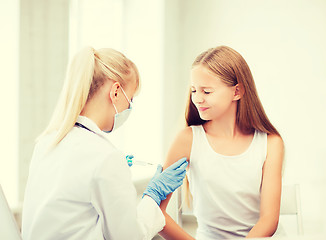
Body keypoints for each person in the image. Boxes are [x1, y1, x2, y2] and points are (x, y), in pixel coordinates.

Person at [21, 46, 188, 240]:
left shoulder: (47, 142)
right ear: (116, 91)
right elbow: (128, 237)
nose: (130, 106)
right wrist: (153, 195)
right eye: (131, 98)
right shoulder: (105, 156)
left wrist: (111, 172)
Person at [159, 46, 284, 239]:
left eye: (207, 92)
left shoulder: (271, 143)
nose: (197, 99)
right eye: (194, 90)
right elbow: (155, 212)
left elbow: (269, 221)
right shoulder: (187, 139)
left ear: (237, 92)